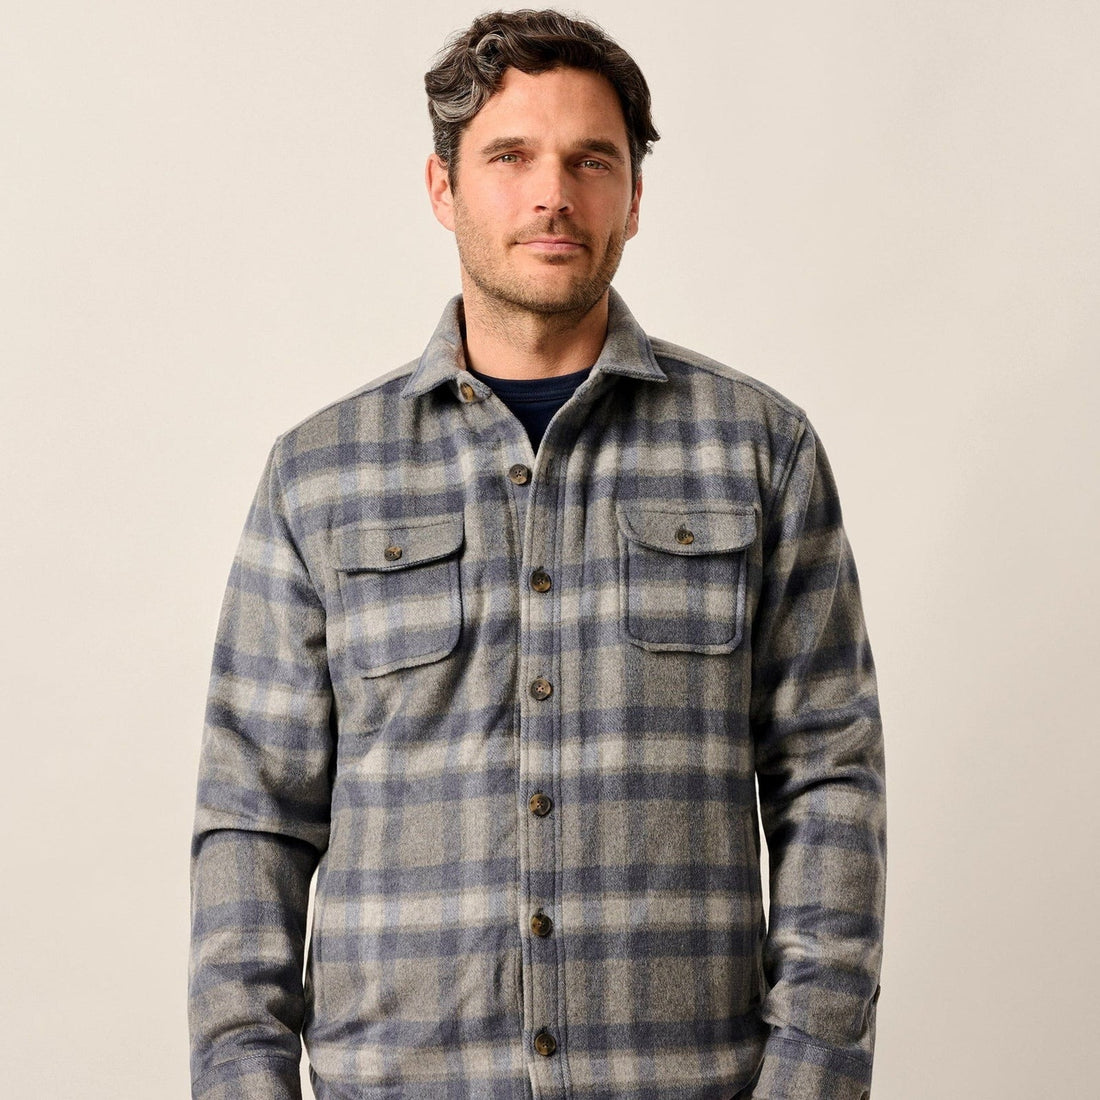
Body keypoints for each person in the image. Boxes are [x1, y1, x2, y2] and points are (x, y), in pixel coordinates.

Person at [188, 10, 886, 1100]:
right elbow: (253, 816)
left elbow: (829, 783)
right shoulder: (317, 475)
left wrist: (811, 1075)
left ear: (633, 197)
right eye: (510, 157)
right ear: (443, 187)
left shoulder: (761, 451)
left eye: (590, 160)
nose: (552, 193)